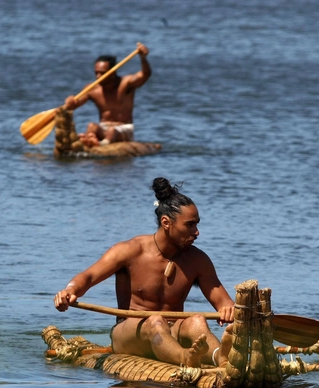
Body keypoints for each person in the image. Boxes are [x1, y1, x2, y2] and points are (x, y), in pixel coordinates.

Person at [54, 177, 235, 368]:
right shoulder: (130, 250)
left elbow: (222, 300)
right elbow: (88, 276)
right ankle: (185, 358)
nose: (196, 232)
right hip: (129, 333)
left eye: (197, 224)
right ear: (166, 222)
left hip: (173, 330)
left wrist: (229, 308)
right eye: (189, 225)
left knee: (197, 321)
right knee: (155, 321)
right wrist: (70, 291)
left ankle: (221, 359)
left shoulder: (198, 260)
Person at [63, 42, 151, 147]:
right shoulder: (92, 89)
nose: (98, 76)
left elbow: (145, 75)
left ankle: (100, 145)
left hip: (123, 129)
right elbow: (75, 104)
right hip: (103, 128)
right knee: (91, 126)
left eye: (102, 73)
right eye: (96, 73)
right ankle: (89, 142)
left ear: (112, 72)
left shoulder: (126, 83)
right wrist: (71, 101)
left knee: (112, 131)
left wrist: (143, 58)